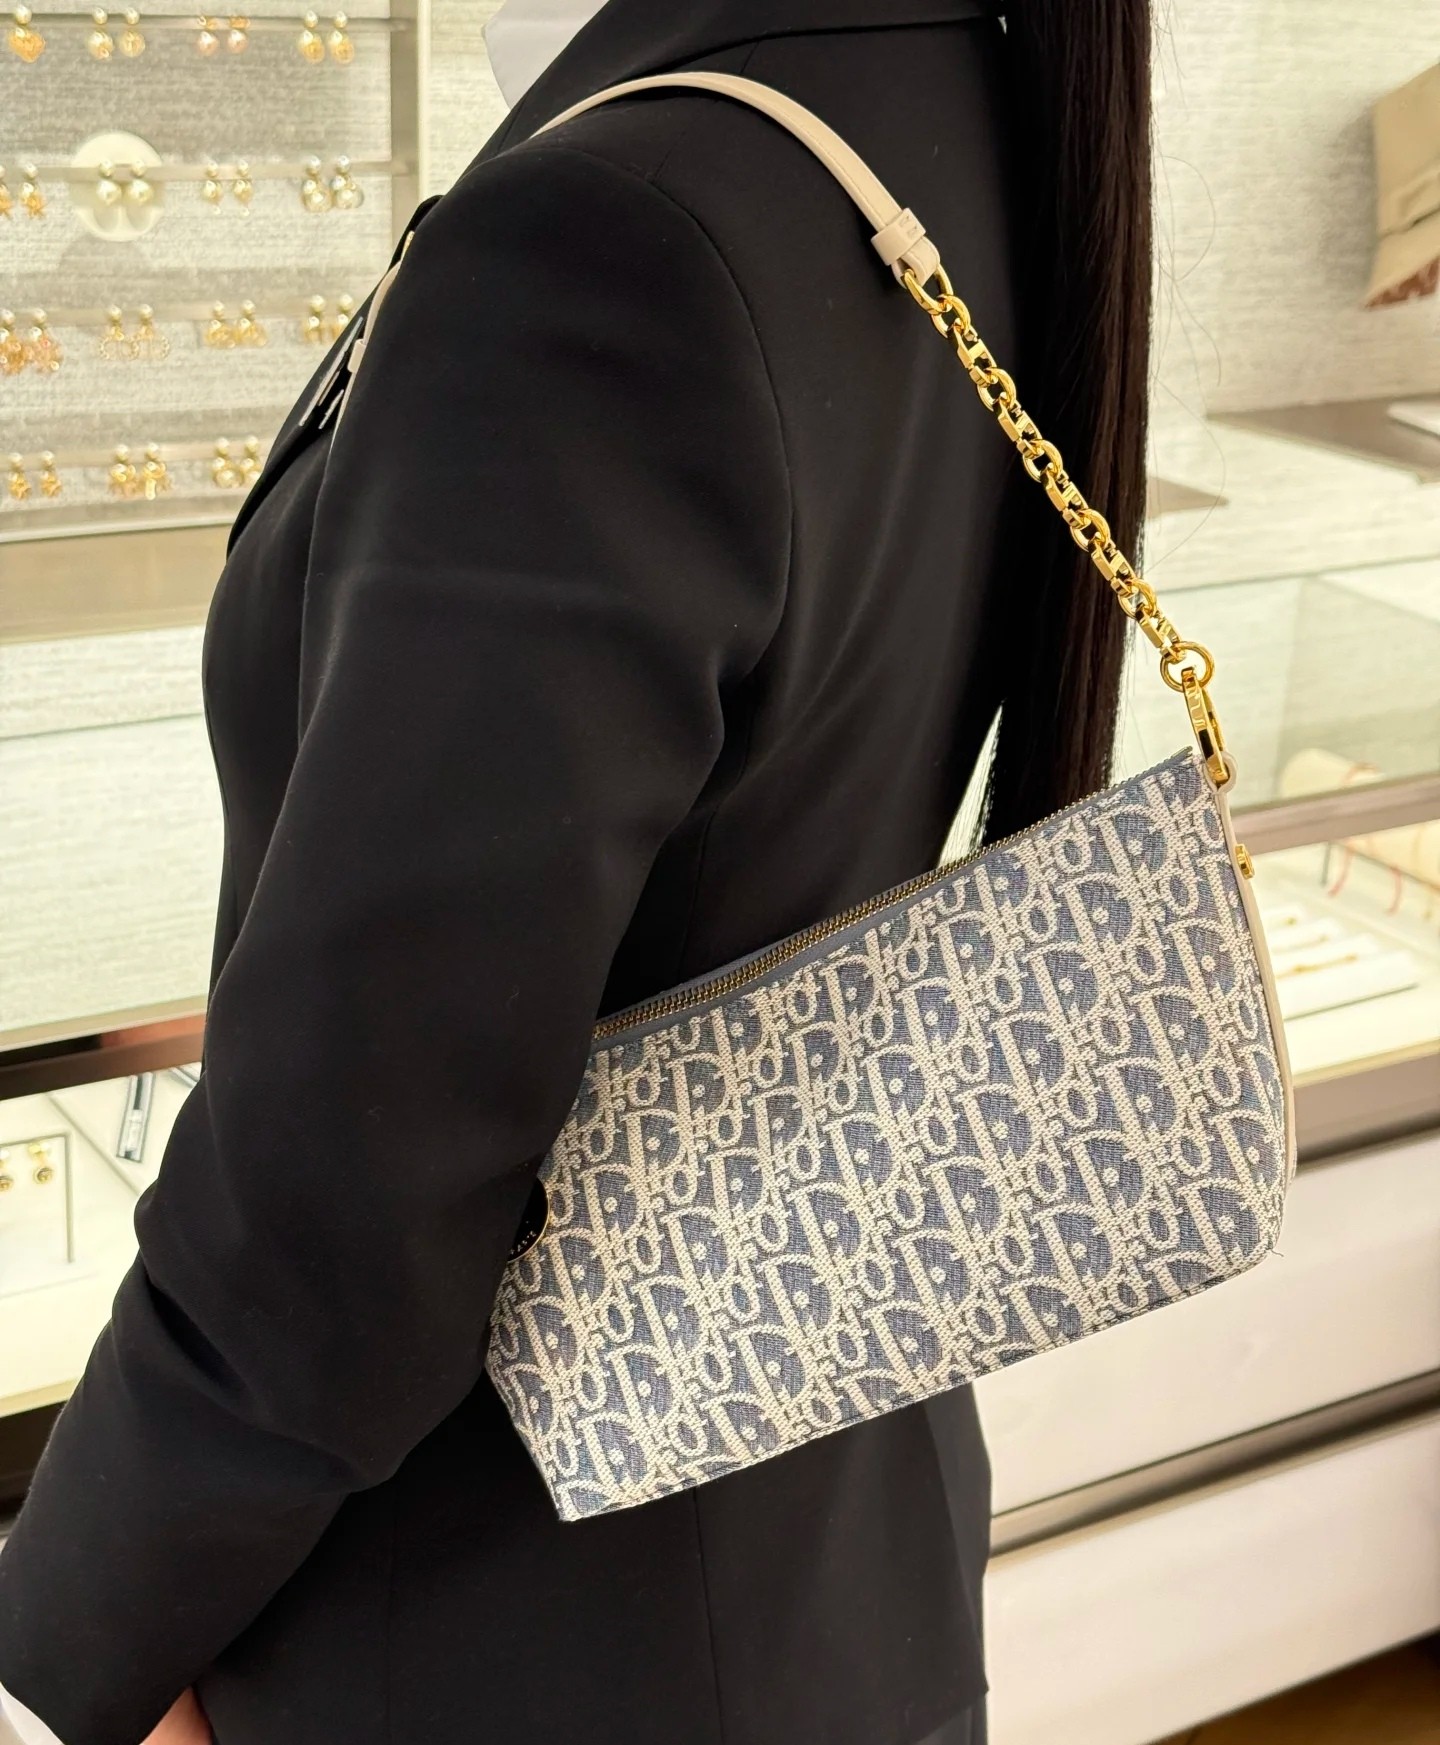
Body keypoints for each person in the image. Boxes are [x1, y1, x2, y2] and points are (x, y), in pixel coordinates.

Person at [0, 0, 1154, 1739]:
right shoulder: (946, 91)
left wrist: (65, 1646)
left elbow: (352, 1191)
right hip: (834, 1555)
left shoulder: (606, 233)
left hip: (499, 1627)